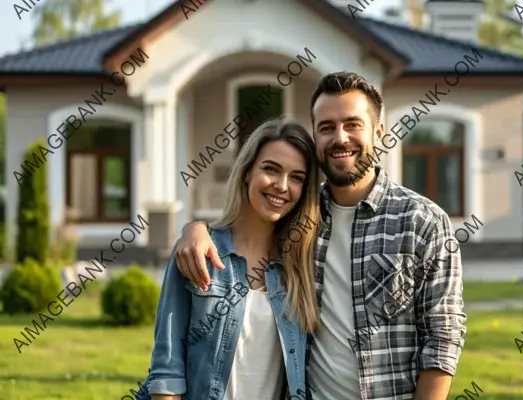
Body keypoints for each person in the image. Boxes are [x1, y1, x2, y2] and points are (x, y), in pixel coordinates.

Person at [174, 72, 467, 400]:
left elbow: (442, 338)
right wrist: (195, 229)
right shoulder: (299, 218)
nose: (340, 138)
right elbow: (246, 229)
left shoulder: (423, 221)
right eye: (327, 127)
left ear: (379, 132)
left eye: (353, 124)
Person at [144, 118, 322, 400]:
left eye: (297, 177)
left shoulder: (301, 266)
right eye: (270, 169)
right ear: (247, 172)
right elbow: (167, 373)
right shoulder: (197, 253)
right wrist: (194, 228)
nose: (281, 185)